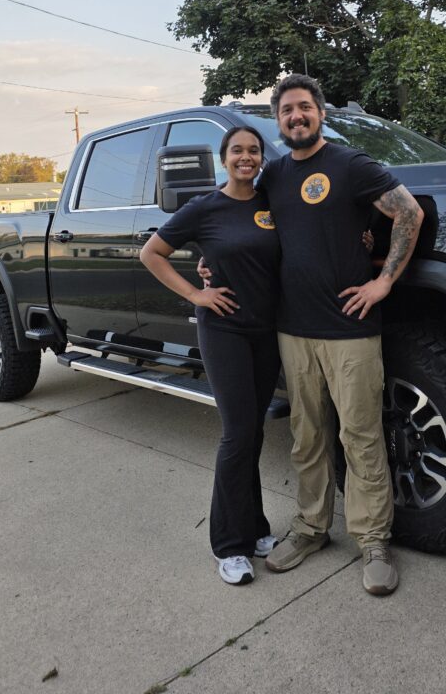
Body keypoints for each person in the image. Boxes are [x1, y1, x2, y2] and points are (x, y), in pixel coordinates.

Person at [259, 74, 424, 596]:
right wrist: (210, 267)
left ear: (321, 114)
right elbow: (244, 228)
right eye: (287, 110)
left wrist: (383, 281)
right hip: (293, 329)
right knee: (307, 436)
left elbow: (409, 211)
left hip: (349, 329)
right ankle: (311, 528)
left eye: (304, 107)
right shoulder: (273, 175)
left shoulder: (350, 165)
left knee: (360, 436)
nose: (296, 116)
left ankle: (372, 541)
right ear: (278, 120)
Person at [139, 125, 281, 586]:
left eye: (254, 150)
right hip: (224, 330)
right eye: (237, 150)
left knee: (253, 432)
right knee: (237, 434)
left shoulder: (271, 204)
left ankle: (255, 528)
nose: (246, 157)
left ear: (261, 159)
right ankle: (229, 546)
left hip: (267, 332)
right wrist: (196, 294)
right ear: (224, 158)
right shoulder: (205, 207)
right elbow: (152, 253)